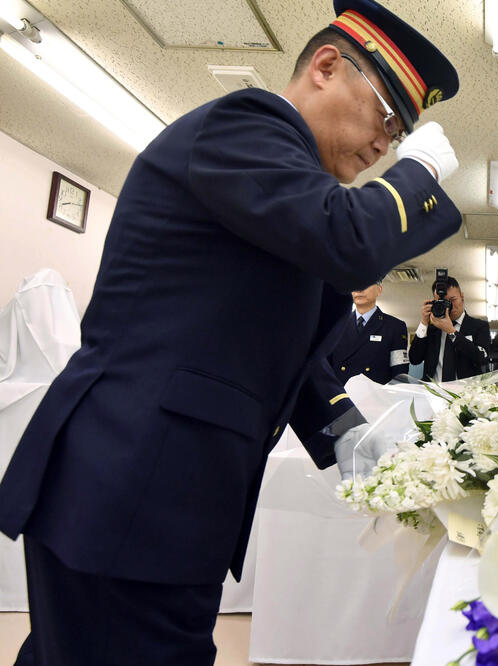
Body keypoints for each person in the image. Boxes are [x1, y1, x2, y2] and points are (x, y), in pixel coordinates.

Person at [0, 1, 462, 663]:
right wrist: (420, 173)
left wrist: (349, 433)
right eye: (389, 119)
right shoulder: (249, 125)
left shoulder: (285, 195)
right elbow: (351, 239)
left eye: (398, 138)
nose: (385, 146)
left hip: (158, 497)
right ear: (327, 66)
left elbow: (279, 350)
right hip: (133, 488)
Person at [326, 281, 409, 385]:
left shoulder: (395, 326)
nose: (359, 290)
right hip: (341, 396)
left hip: (375, 396)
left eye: (366, 283)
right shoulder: (336, 324)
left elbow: (400, 372)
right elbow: (325, 367)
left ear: (379, 290)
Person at [408, 276, 490, 382]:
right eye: (443, 302)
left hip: (465, 394)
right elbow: (414, 359)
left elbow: (482, 358)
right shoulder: (432, 330)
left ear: (462, 296)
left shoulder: (479, 326)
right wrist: (424, 323)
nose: (449, 306)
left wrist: (451, 332)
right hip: (433, 393)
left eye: (453, 300)